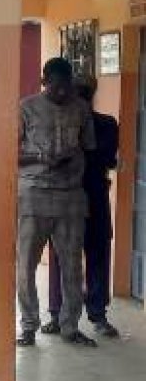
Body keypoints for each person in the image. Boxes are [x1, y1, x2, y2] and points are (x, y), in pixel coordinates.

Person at [17, 57, 97, 347]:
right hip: (34, 195)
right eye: (56, 87)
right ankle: (28, 325)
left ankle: (70, 326)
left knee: (73, 265)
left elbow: (88, 147)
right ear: (44, 82)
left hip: (70, 197)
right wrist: (41, 158)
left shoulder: (81, 109)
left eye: (67, 87)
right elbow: (9, 153)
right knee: (26, 264)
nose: (63, 93)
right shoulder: (26, 108)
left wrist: (70, 159)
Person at [44, 76, 120, 338]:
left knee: (61, 256)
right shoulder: (107, 123)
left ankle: (57, 314)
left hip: (68, 196)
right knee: (96, 253)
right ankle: (96, 316)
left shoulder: (63, 126)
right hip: (93, 194)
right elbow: (110, 160)